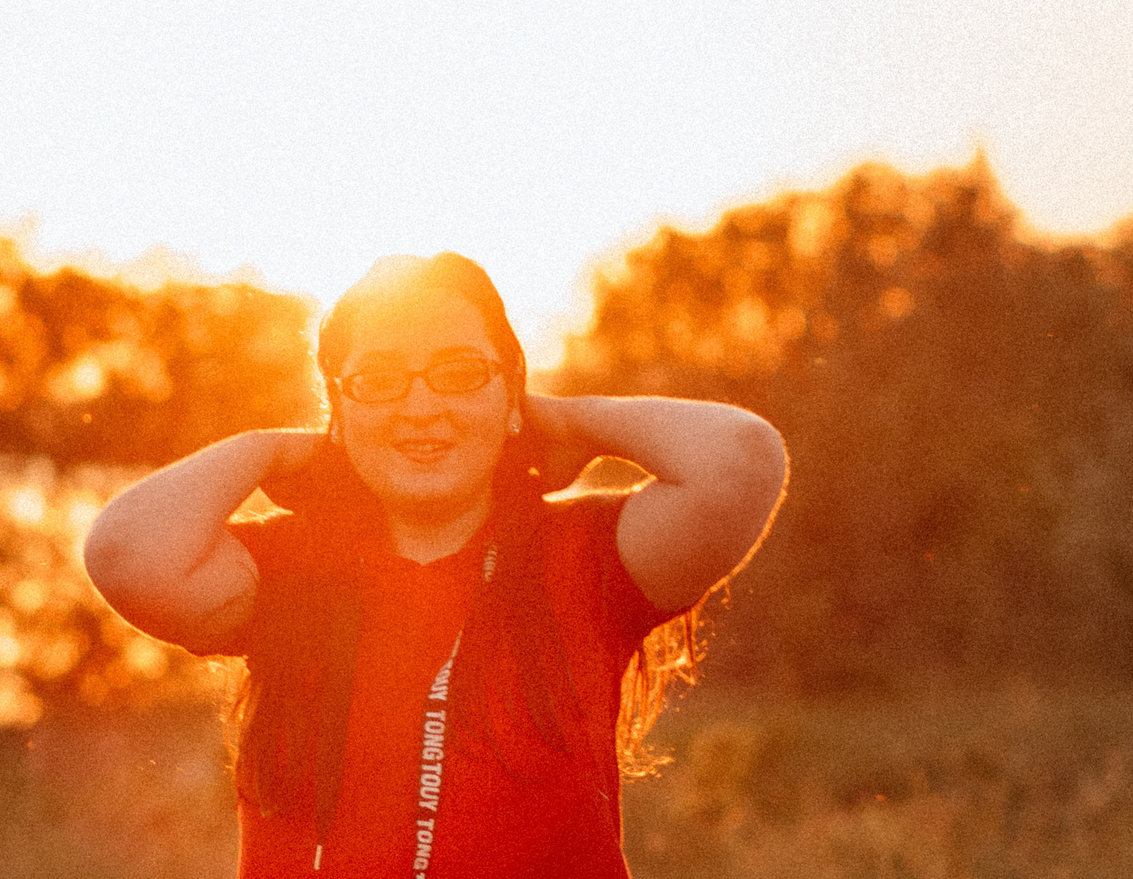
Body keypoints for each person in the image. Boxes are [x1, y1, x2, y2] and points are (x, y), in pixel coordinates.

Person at [82, 252, 788, 879]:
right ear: (337, 403)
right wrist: (270, 450)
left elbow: (741, 459)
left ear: (509, 387)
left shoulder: (587, 556)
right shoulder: (288, 566)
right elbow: (124, 551)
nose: (421, 407)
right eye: (379, 380)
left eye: (459, 373)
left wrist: (566, 420)